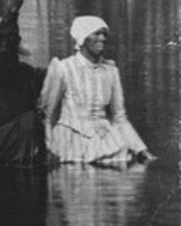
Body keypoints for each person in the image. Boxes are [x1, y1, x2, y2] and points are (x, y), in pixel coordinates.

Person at [39, 16, 155, 165]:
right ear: (82, 38)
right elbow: (46, 116)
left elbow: (119, 117)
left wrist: (140, 149)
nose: (102, 39)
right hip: (69, 142)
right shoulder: (63, 68)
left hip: (106, 139)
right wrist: (47, 147)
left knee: (123, 169)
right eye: (97, 33)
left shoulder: (111, 71)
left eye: (104, 34)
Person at [0, 0, 53, 167]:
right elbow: (4, 48)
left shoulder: (20, 69)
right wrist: (12, 11)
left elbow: (48, 78)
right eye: (5, 32)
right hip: (13, 144)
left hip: (26, 140)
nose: (15, 36)